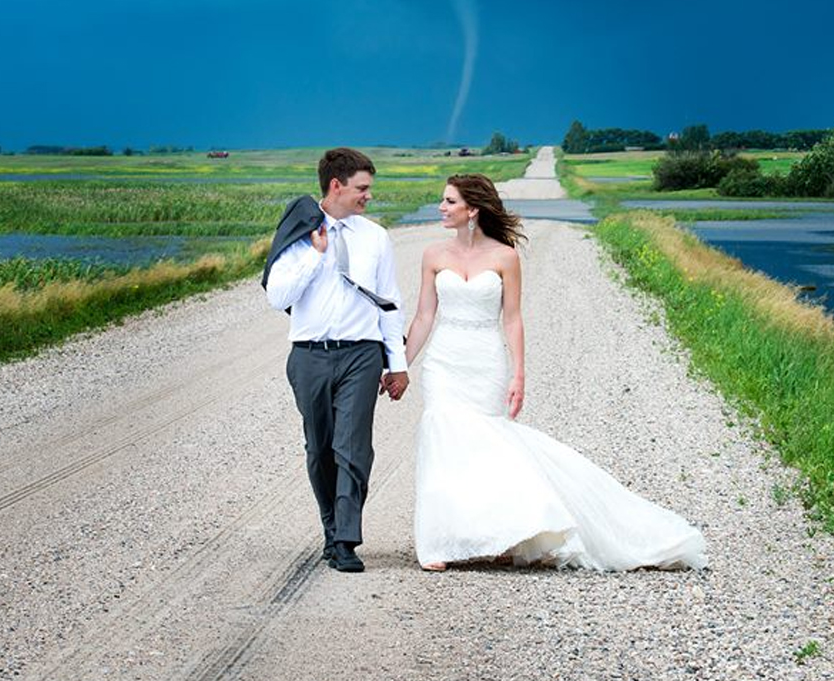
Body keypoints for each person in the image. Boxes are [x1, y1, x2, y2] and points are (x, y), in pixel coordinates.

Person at [406, 173, 707, 572]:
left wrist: (519, 374)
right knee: (443, 437)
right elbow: (424, 315)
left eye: (449, 202)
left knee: (489, 443)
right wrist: (400, 365)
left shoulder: (504, 257)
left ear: (472, 210)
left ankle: (500, 532)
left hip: (485, 358)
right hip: (444, 360)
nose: (441, 208)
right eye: (442, 201)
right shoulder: (433, 255)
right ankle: (441, 542)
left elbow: (512, 319)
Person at [263, 148, 410, 573]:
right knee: (320, 448)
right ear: (336, 185)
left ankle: (347, 539)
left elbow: (390, 304)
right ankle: (331, 530)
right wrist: (316, 256)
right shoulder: (299, 235)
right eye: (362, 188)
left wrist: (396, 363)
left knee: (353, 447)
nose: (368, 196)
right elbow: (278, 297)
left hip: (361, 356)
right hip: (309, 355)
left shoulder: (376, 237)